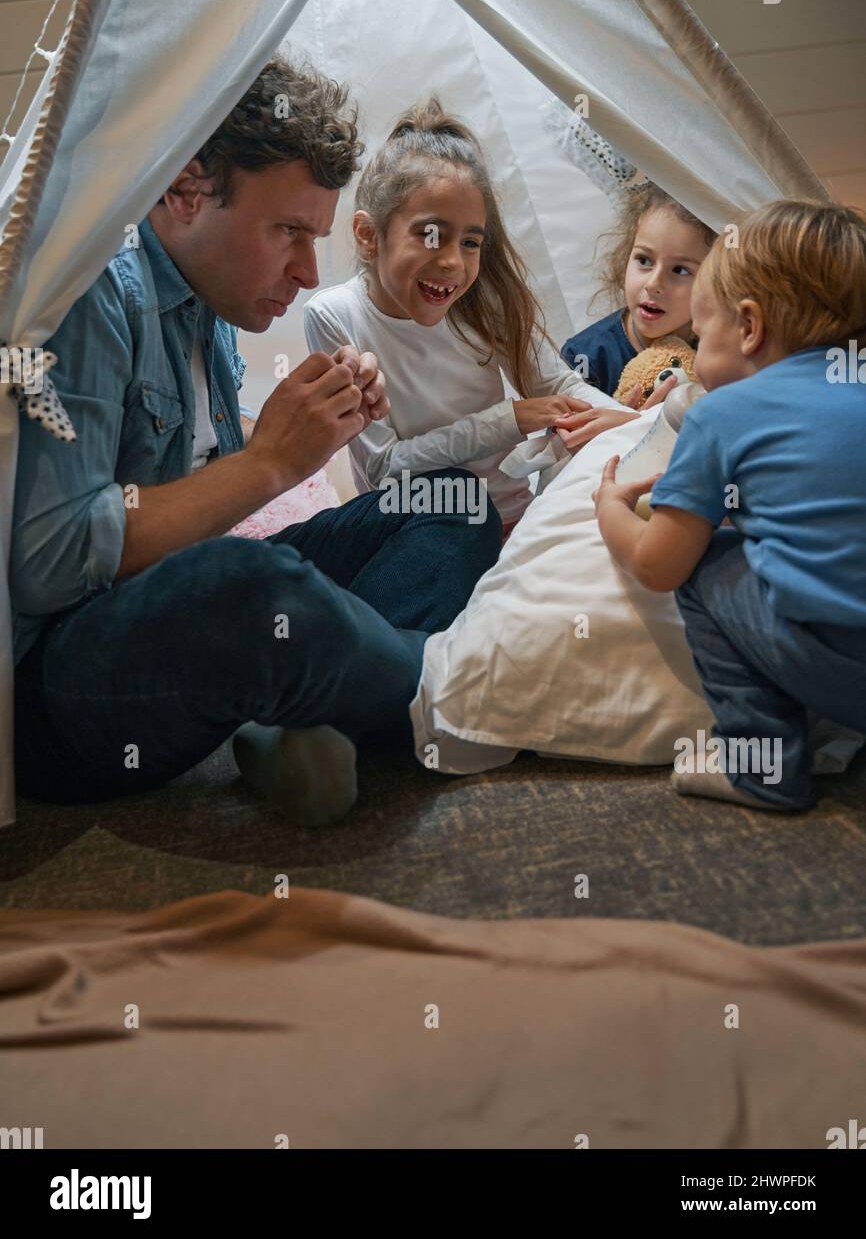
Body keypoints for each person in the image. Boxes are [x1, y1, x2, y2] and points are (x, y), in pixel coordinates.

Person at [11, 58, 501, 826]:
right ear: (186, 191)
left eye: (316, 238)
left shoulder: (212, 307)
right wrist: (270, 463)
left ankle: (318, 723)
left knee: (452, 502)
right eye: (288, 232)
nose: (307, 272)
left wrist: (314, 427)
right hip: (61, 692)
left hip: (180, 617)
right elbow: (49, 566)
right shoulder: (93, 291)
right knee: (247, 585)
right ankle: (464, 693)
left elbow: (194, 511)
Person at [593, 199, 866, 812]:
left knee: (707, 562)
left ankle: (761, 762)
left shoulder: (719, 414)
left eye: (701, 330)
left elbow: (659, 565)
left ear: (748, 327)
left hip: (842, 672)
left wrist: (610, 510)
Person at [304, 98, 631, 535]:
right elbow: (385, 467)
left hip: (513, 519)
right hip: (412, 527)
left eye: (471, 243)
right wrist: (509, 420)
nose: (454, 263)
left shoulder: (481, 299)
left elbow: (559, 386)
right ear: (368, 236)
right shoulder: (334, 316)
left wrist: (632, 423)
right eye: (431, 235)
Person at [559, 182, 713, 406]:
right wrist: (634, 423)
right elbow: (563, 428)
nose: (653, 284)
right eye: (644, 260)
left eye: (680, 270)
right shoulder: (585, 357)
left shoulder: (721, 349)